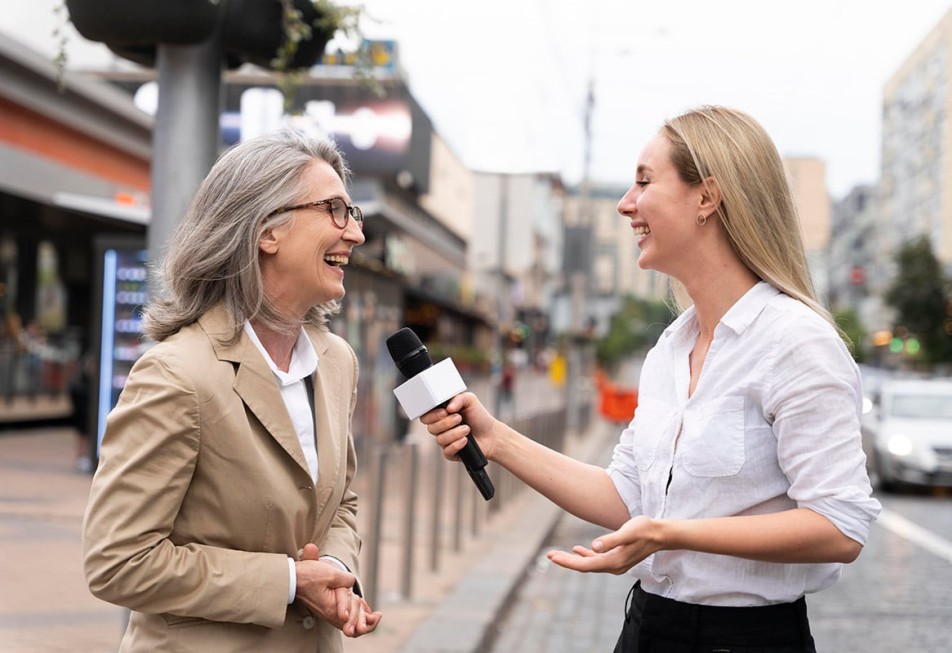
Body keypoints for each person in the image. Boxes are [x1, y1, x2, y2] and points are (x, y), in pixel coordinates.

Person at [422, 106, 880, 652]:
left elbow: (839, 527)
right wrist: (497, 439)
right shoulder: (670, 348)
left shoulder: (796, 342)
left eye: (644, 181)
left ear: (707, 197)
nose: (625, 204)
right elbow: (627, 496)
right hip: (646, 630)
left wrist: (669, 533)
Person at [82, 130, 381, 652]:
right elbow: (118, 561)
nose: (353, 233)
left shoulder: (337, 363)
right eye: (335, 210)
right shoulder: (176, 375)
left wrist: (333, 568)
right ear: (267, 230)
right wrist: (289, 582)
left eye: (353, 213)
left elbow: (340, 502)